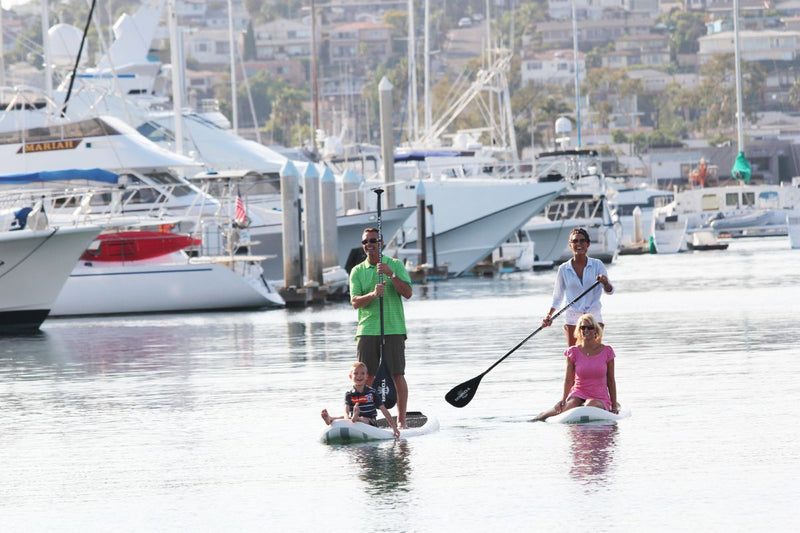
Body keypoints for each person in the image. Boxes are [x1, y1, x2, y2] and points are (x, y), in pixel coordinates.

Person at [349, 227, 413, 428]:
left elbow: (408, 293)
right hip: (367, 330)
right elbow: (355, 302)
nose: (369, 245)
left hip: (393, 328)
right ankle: (367, 419)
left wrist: (391, 274)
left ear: (381, 243)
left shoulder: (395, 264)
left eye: (372, 241)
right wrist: (373, 295)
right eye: (365, 242)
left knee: (397, 374)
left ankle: (401, 421)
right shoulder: (357, 271)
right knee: (365, 376)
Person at [532, 314, 618, 422]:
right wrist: (563, 400)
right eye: (583, 327)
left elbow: (611, 380)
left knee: (590, 406)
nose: (586, 330)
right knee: (567, 407)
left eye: (590, 327)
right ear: (579, 330)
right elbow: (568, 380)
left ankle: (586, 405)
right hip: (579, 393)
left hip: (599, 395)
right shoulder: (573, 352)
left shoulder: (607, 351)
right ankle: (538, 417)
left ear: (595, 330)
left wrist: (614, 406)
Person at [542, 227, 614, 346]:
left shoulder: (597, 265)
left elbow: (610, 291)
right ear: (570, 245)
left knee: (595, 355)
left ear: (588, 244)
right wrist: (549, 316)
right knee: (573, 356)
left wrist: (605, 282)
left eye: (582, 241)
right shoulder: (563, 269)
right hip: (573, 317)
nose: (578, 244)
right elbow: (557, 297)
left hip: (593, 316)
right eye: (575, 241)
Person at [321, 361, 400, 438]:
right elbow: (346, 409)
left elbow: (384, 410)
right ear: (350, 377)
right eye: (356, 373)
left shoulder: (372, 392)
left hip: (370, 421)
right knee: (343, 417)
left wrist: (394, 428)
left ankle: (356, 418)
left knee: (363, 419)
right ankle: (330, 419)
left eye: (362, 373)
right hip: (353, 419)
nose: (359, 376)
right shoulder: (349, 394)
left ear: (366, 376)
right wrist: (346, 418)